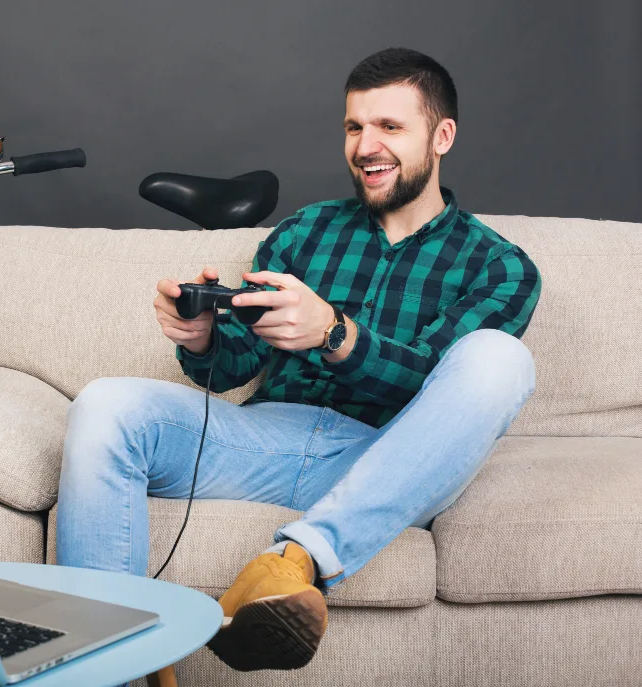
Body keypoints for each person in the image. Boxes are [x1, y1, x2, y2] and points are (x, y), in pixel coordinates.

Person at [55, 47, 542, 673]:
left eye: (390, 127)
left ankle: (297, 561)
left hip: (389, 456)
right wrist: (202, 336)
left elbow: (440, 389)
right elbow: (233, 368)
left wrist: (334, 333)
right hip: (264, 441)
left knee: (501, 358)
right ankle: (101, 665)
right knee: (107, 403)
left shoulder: (500, 266)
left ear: (441, 135)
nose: (366, 146)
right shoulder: (303, 233)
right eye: (354, 127)